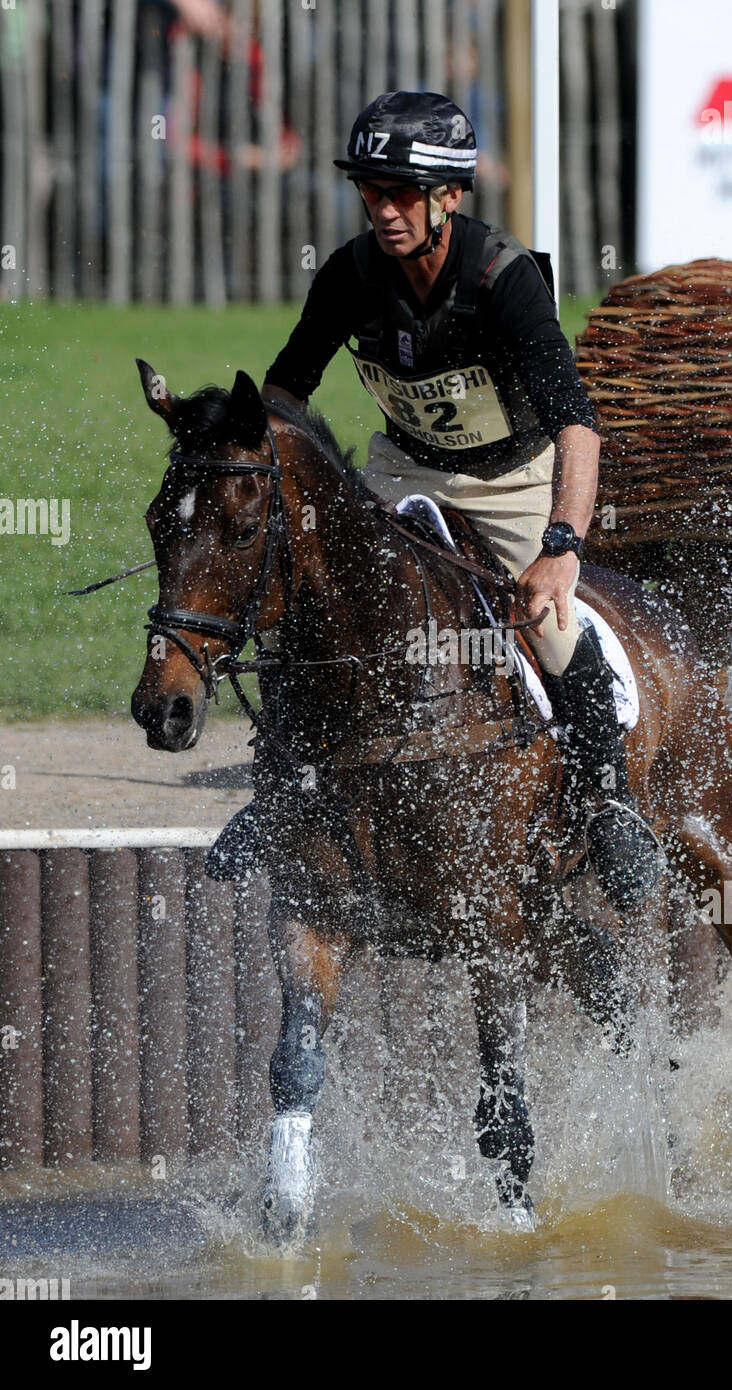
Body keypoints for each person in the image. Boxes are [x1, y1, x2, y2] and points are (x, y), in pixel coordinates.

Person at [207, 91, 660, 910]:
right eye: (371, 193)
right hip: (404, 469)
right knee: (311, 595)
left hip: (510, 479)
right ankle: (279, 793)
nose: (383, 211)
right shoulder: (350, 274)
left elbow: (578, 426)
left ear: (449, 196)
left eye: (401, 194)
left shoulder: (504, 280)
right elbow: (283, 394)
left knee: (550, 629)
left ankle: (608, 804)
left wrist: (561, 547)